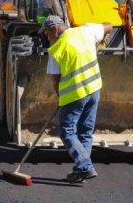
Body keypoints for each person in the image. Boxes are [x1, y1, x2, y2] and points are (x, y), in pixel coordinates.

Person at [40, 15, 113, 183]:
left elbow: (55, 80)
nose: (47, 38)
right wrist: (104, 38)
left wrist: (61, 99)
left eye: (47, 34)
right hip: (94, 89)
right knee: (85, 131)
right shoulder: (86, 31)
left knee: (67, 131)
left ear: (55, 29)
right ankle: (81, 170)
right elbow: (108, 25)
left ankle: (85, 165)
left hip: (74, 95)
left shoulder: (57, 49)